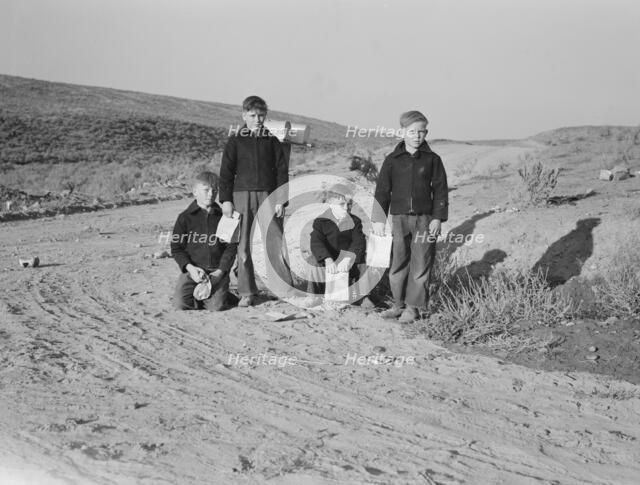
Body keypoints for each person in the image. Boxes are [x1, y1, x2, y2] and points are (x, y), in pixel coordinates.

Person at [372, 110, 449, 323]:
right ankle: (398, 304)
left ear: (426, 133)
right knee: (398, 263)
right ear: (402, 132)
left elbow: (441, 190)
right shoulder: (392, 160)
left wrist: (437, 218)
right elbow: (382, 191)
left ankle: (413, 308)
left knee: (421, 263)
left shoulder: (433, 160)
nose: (417, 136)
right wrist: (378, 219)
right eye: (413, 131)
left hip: (425, 220)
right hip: (399, 219)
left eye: (422, 132)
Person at [219, 95, 292, 307]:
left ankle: (283, 290)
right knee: (243, 246)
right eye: (253, 115)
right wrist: (225, 200)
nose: (258, 119)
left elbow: (281, 172)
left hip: (269, 196)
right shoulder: (235, 141)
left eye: (261, 115)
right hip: (241, 196)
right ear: (244, 115)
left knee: (275, 242)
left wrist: (281, 200)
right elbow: (226, 173)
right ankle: (247, 292)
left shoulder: (272, 142)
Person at [171, 172, 238, 311]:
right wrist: (190, 268)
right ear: (195, 192)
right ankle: (203, 293)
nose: (210, 194)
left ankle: (221, 293)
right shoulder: (184, 218)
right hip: (193, 271)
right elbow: (177, 248)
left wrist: (220, 272)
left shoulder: (224, 217)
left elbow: (230, 248)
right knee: (180, 304)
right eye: (206, 190)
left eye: (214, 190)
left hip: (216, 271)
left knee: (216, 307)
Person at [304, 185, 367, 307]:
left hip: (348, 261)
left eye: (349, 204)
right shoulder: (321, 222)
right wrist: (327, 259)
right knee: (312, 260)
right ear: (331, 204)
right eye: (342, 204)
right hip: (329, 261)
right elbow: (316, 242)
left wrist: (348, 258)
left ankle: (362, 296)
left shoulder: (355, 221)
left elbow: (358, 242)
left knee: (364, 261)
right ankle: (313, 295)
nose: (346, 208)